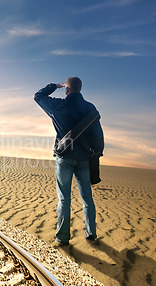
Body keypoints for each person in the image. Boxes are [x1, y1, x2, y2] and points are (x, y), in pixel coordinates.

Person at [34, 77, 104, 246]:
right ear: (80, 89)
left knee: (64, 199)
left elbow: (38, 96)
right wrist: (96, 153)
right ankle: (91, 233)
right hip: (85, 160)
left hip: (64, 158)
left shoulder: (57, 106)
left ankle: (63, 237)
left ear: (66, 89)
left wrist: (54, 86)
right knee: (87, 199)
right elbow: (98, 135)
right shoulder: (90, 108)